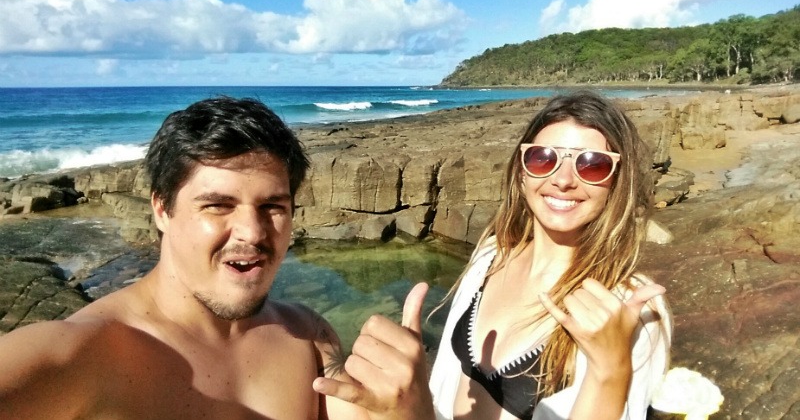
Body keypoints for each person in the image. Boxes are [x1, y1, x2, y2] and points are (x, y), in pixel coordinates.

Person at [0, 97, 433, 419]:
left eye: (273, 207)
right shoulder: (82, 352)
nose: (252, 232)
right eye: (218, 205)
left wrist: (411, 408)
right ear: (162, 210)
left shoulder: (308, 338)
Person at [428, 90, 672, 420]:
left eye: (593, 165)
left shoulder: (627, 308)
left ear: (617, 181)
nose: (562, 180)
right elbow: (444, 382)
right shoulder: (489, 256)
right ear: (521, 170)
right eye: (543, 158)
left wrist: (611, 369)